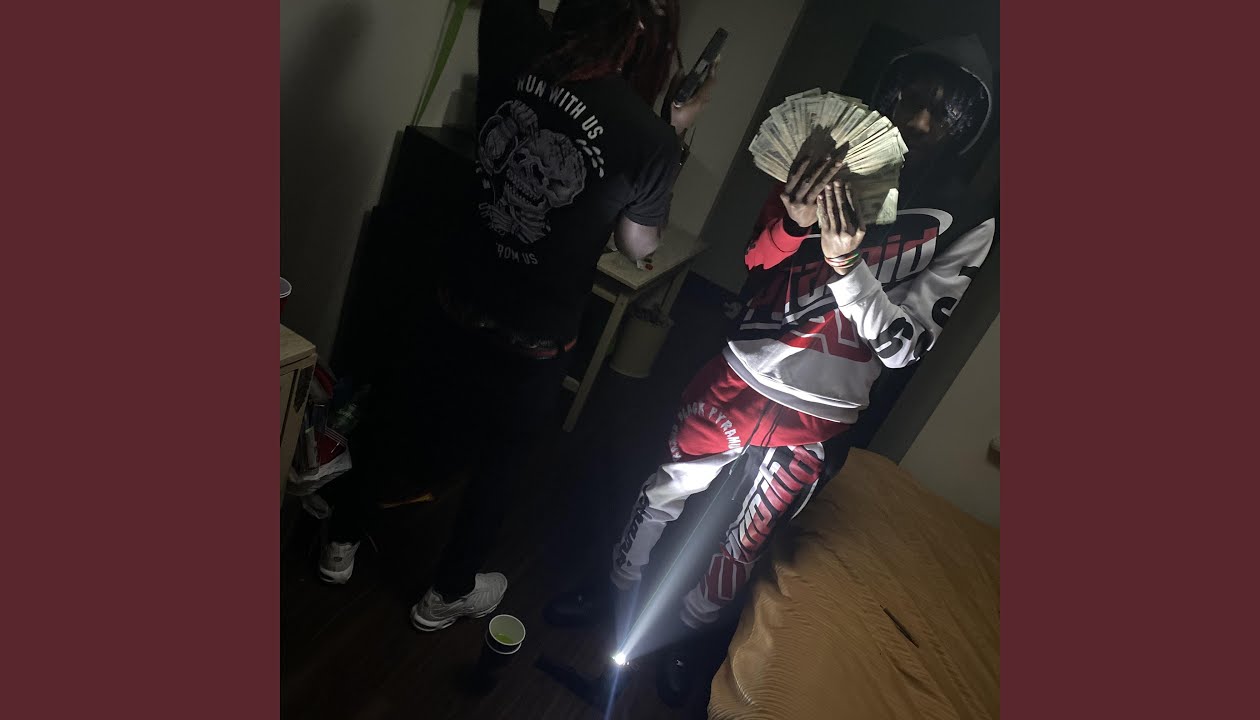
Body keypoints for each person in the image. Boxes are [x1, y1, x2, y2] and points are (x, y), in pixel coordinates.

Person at [544, 35, 996, 706]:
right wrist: (793, 220)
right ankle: (611, 594)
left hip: (821, 415)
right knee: (659, 491)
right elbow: (756, 260)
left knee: (744, 542)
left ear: (967, 129)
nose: (922, 121)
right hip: (742, 369)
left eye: (946, 112)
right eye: (913, 99)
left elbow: (904, 349)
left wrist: (847, 266)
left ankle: (686, 642)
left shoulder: (968, 223)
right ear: (889, 93)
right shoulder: (823, 156)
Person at [318, 0, 715, 635]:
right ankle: (446, 593)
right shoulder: (652, 138)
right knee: (501, 464)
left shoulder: (511, 40)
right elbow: (636, 245)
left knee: (397, 412)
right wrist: (677, 129)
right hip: (535, 332)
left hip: (458, 292)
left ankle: (339, 542)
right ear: (641, 34)